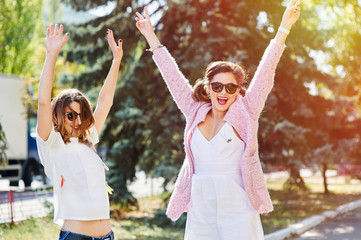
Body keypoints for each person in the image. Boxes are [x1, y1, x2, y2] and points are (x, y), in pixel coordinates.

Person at [135, 0, 302, 239]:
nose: (224, 92)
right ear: (208, 87)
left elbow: (266, 70)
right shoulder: (194, 110)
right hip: (201, 205)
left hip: (238, 204)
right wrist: (150, 35)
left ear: (237, 90)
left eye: (231, 88)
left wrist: (283, 29)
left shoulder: (247, 111)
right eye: (218, 86)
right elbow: (172, 76)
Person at [36, 24, 123, 240]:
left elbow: (105, 102)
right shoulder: (51, 143)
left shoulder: (88, 139)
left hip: (107, 236)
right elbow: (43, 103)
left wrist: (116, 60)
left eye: (81, 114)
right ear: (58, 116)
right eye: (70, 115)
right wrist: (51, 54)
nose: (77, 120)